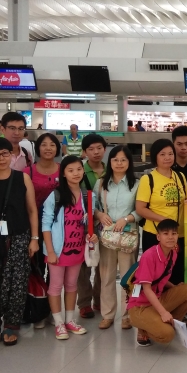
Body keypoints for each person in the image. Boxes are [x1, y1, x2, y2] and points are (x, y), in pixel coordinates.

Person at [0, 137, 40, 346]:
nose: (1, 158)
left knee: (17, 282)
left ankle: (12, 324)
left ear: (11, 155)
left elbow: (32, 210)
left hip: (19, 237)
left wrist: (34, 239)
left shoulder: (22, 178)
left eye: (5, 153)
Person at [41, 155, 97, 340]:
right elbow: (46, 224)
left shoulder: (88, 196)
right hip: (57, 251)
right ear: (63, 173)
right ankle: (58, 323)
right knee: (56, 286)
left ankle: (70, 320)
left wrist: (91, 235)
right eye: (70, 170)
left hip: (77, 250)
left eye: (79, 169)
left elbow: (89, 223)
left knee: (72, 285)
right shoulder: (56, 196)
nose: (76, 173)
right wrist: (50, 251)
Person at [128, 219, 187, 346]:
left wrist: (175, 288)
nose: (170, 237)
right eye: (166, 234)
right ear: (158, 237)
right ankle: (143, 329)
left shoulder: (172, 254)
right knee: (167, 334)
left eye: (174, 233)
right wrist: (163, 312)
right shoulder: (149, 256)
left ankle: (173, 322)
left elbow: (162, 278)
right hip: (140, 306)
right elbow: (147, 288)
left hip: (157, 299)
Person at [136, 139, 187, 287]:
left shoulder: (179, 177)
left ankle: (176, 300)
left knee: (177, 273)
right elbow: (140, 209)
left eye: (170, 154)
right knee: (156, 275)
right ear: (155, 157)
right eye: (162, 154)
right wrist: (164, 221)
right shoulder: (148, 179)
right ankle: (156, 301)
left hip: (178, 234)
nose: (167, 157)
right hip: (155, 233)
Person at [93, 145, 140, 330]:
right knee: (106, 275)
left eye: (123, 160)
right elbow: (93, 206)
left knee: (128, 277)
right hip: (107, 236)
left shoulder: (137, 184)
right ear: (110, 161)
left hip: (128, 235)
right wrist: (99, 215)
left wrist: (127, 218)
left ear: (129, 162)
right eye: (115, 160)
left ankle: (127, 315)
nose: (119, 163)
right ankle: (108, 315)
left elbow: (141, 209)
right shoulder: (101, 184)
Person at [23, 133, 62, 307]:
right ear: (37, 148)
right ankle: (38, 305)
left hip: (59, 227)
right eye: (44, 144)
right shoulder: (28, 172)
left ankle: (52, 307)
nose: (48, 148)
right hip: (35, 225)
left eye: (52, 145)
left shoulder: (63, 170)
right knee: (37, 266)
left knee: (56, 267)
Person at [77, 133, 108, 319]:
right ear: (85, 151)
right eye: (91, 149)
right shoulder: (79, 170)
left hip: (108, 224)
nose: (96, 152)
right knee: (85, 264)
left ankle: (99, 299)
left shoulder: (111, 168)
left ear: (105, 149)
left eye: (99, 148)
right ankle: (84, 303)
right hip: (85, 224)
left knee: (104, 264)